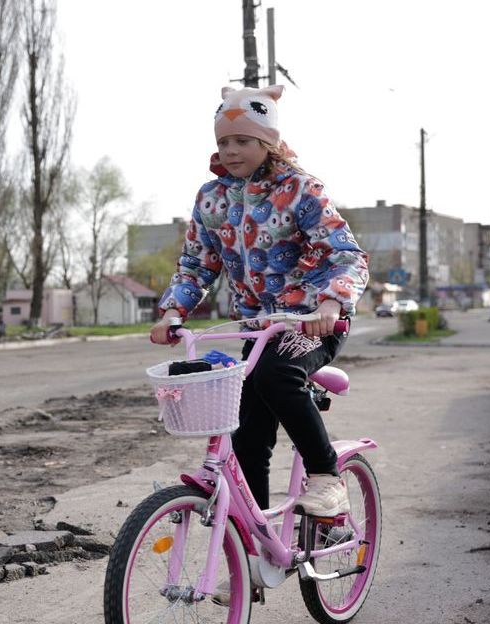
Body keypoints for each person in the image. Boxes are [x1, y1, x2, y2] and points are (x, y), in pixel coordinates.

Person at [151, 84, 369, 518]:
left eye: (244, 140)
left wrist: (330, 303)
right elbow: (197, 263)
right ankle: (253, 556)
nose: (232, 150)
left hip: (310, 322)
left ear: (268, 142)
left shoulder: (300, 190)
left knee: (276, 375)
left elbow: (345, 254)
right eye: (224, 142)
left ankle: (327, 477)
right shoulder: (211, 199)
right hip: (257, 328)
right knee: (247, 433)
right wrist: (173, 310)